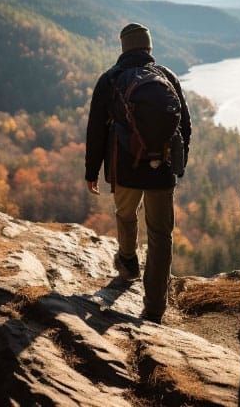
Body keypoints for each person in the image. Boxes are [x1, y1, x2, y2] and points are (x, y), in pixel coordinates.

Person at [85, 23, 191, 324]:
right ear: (148, 48)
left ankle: (128, 263)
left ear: (124, 48)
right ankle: (155, 308)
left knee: (126, 215)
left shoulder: (110, 79)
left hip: (125, 168)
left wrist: (92, 171)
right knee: (160, 236)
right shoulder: (167, 76)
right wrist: (177, 163)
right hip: (163, 171)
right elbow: (184, 125)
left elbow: (96, 130)